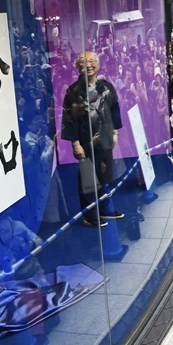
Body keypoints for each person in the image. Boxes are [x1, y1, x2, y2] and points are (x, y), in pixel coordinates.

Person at [62, 50, 123, 227]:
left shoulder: (106, 87)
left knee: (106, 176)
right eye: (82, 62)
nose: (87, 65)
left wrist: (115, 131)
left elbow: (114, 109)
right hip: (86, 142)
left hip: (105, 139)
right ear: (77, 67)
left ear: (98, 65)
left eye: (91, 61)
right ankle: (89, 214)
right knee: (88, 179)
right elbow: (69, 119)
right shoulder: (72, 92)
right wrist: (75, 143)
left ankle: (104, 209)